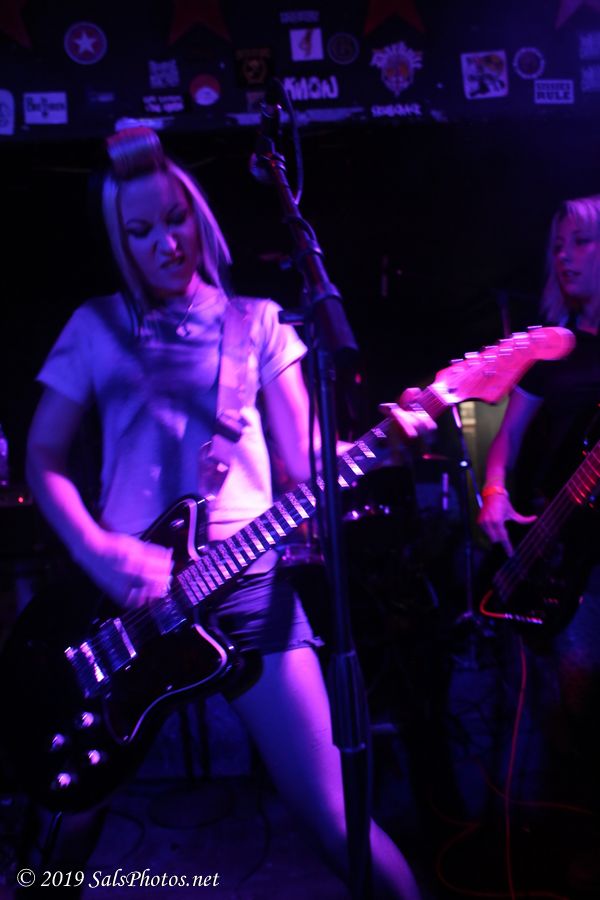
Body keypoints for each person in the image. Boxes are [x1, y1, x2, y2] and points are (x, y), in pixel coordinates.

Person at [24, 126, 432, 898]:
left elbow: (306, 465)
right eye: (140, 231)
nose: (164, 242)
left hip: (249, 589)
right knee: (70, 816)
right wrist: (99, 550)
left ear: (199, 215)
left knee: (336, 816)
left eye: (175, 219)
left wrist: (384, 444)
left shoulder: (260, 323)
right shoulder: (95, 326)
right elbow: (41, 459)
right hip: (126, 603)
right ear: (119, 239)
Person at [477, 193, 600, 891]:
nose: (564, 256)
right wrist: (495, 494)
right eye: (558, 245)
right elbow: (505, 443)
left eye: (580, 241)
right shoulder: (552, 350)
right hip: (552, 550)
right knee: (564, 703)